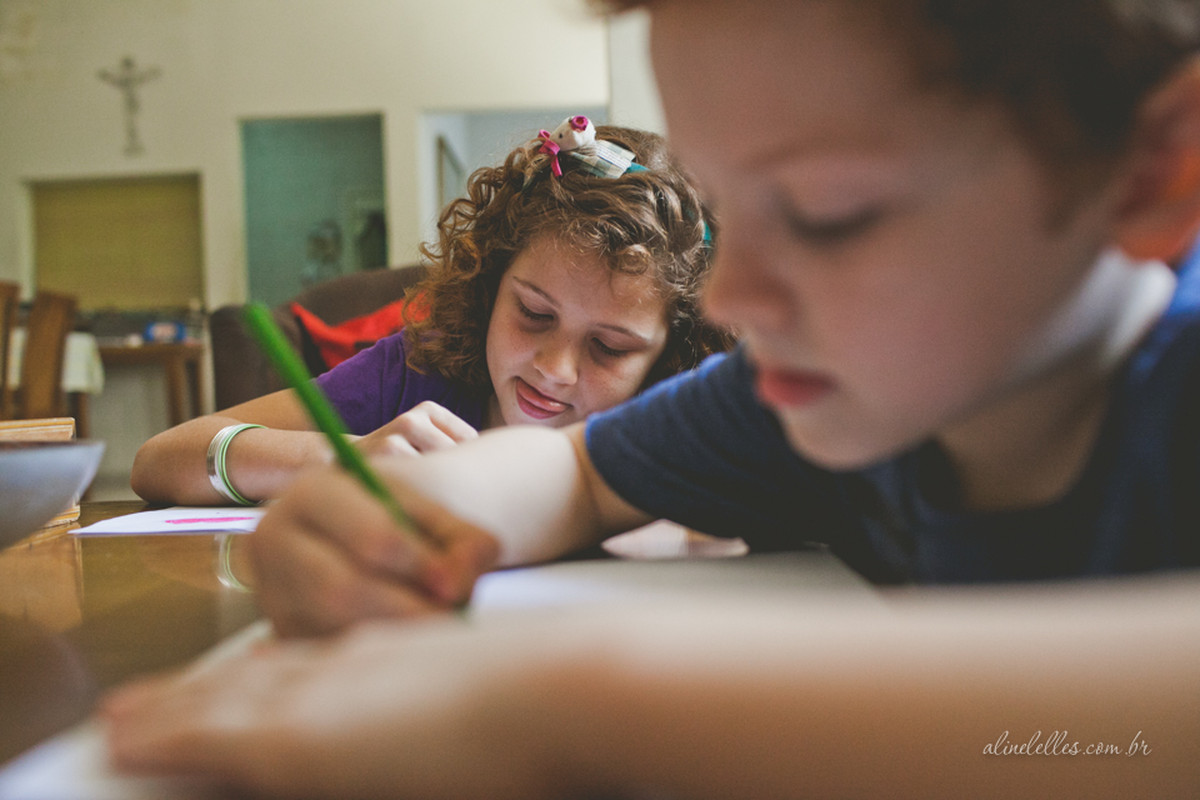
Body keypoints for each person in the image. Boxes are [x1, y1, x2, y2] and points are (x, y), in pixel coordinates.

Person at [105, 0, 1200, 797]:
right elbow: (578, 470)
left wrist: (562, 702)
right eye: (729, 215)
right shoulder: (819, 388)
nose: (729, 295)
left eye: (825, 214)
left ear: (1151, 173)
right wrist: (417, 513)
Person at [130, 120, 730, 506]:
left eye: (610, 347)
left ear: (671, 354)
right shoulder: (420, 370)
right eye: (533, 313)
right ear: (490, 281)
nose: (555, 368)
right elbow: (160, 461)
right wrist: (345, 457)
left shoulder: (691, 424)